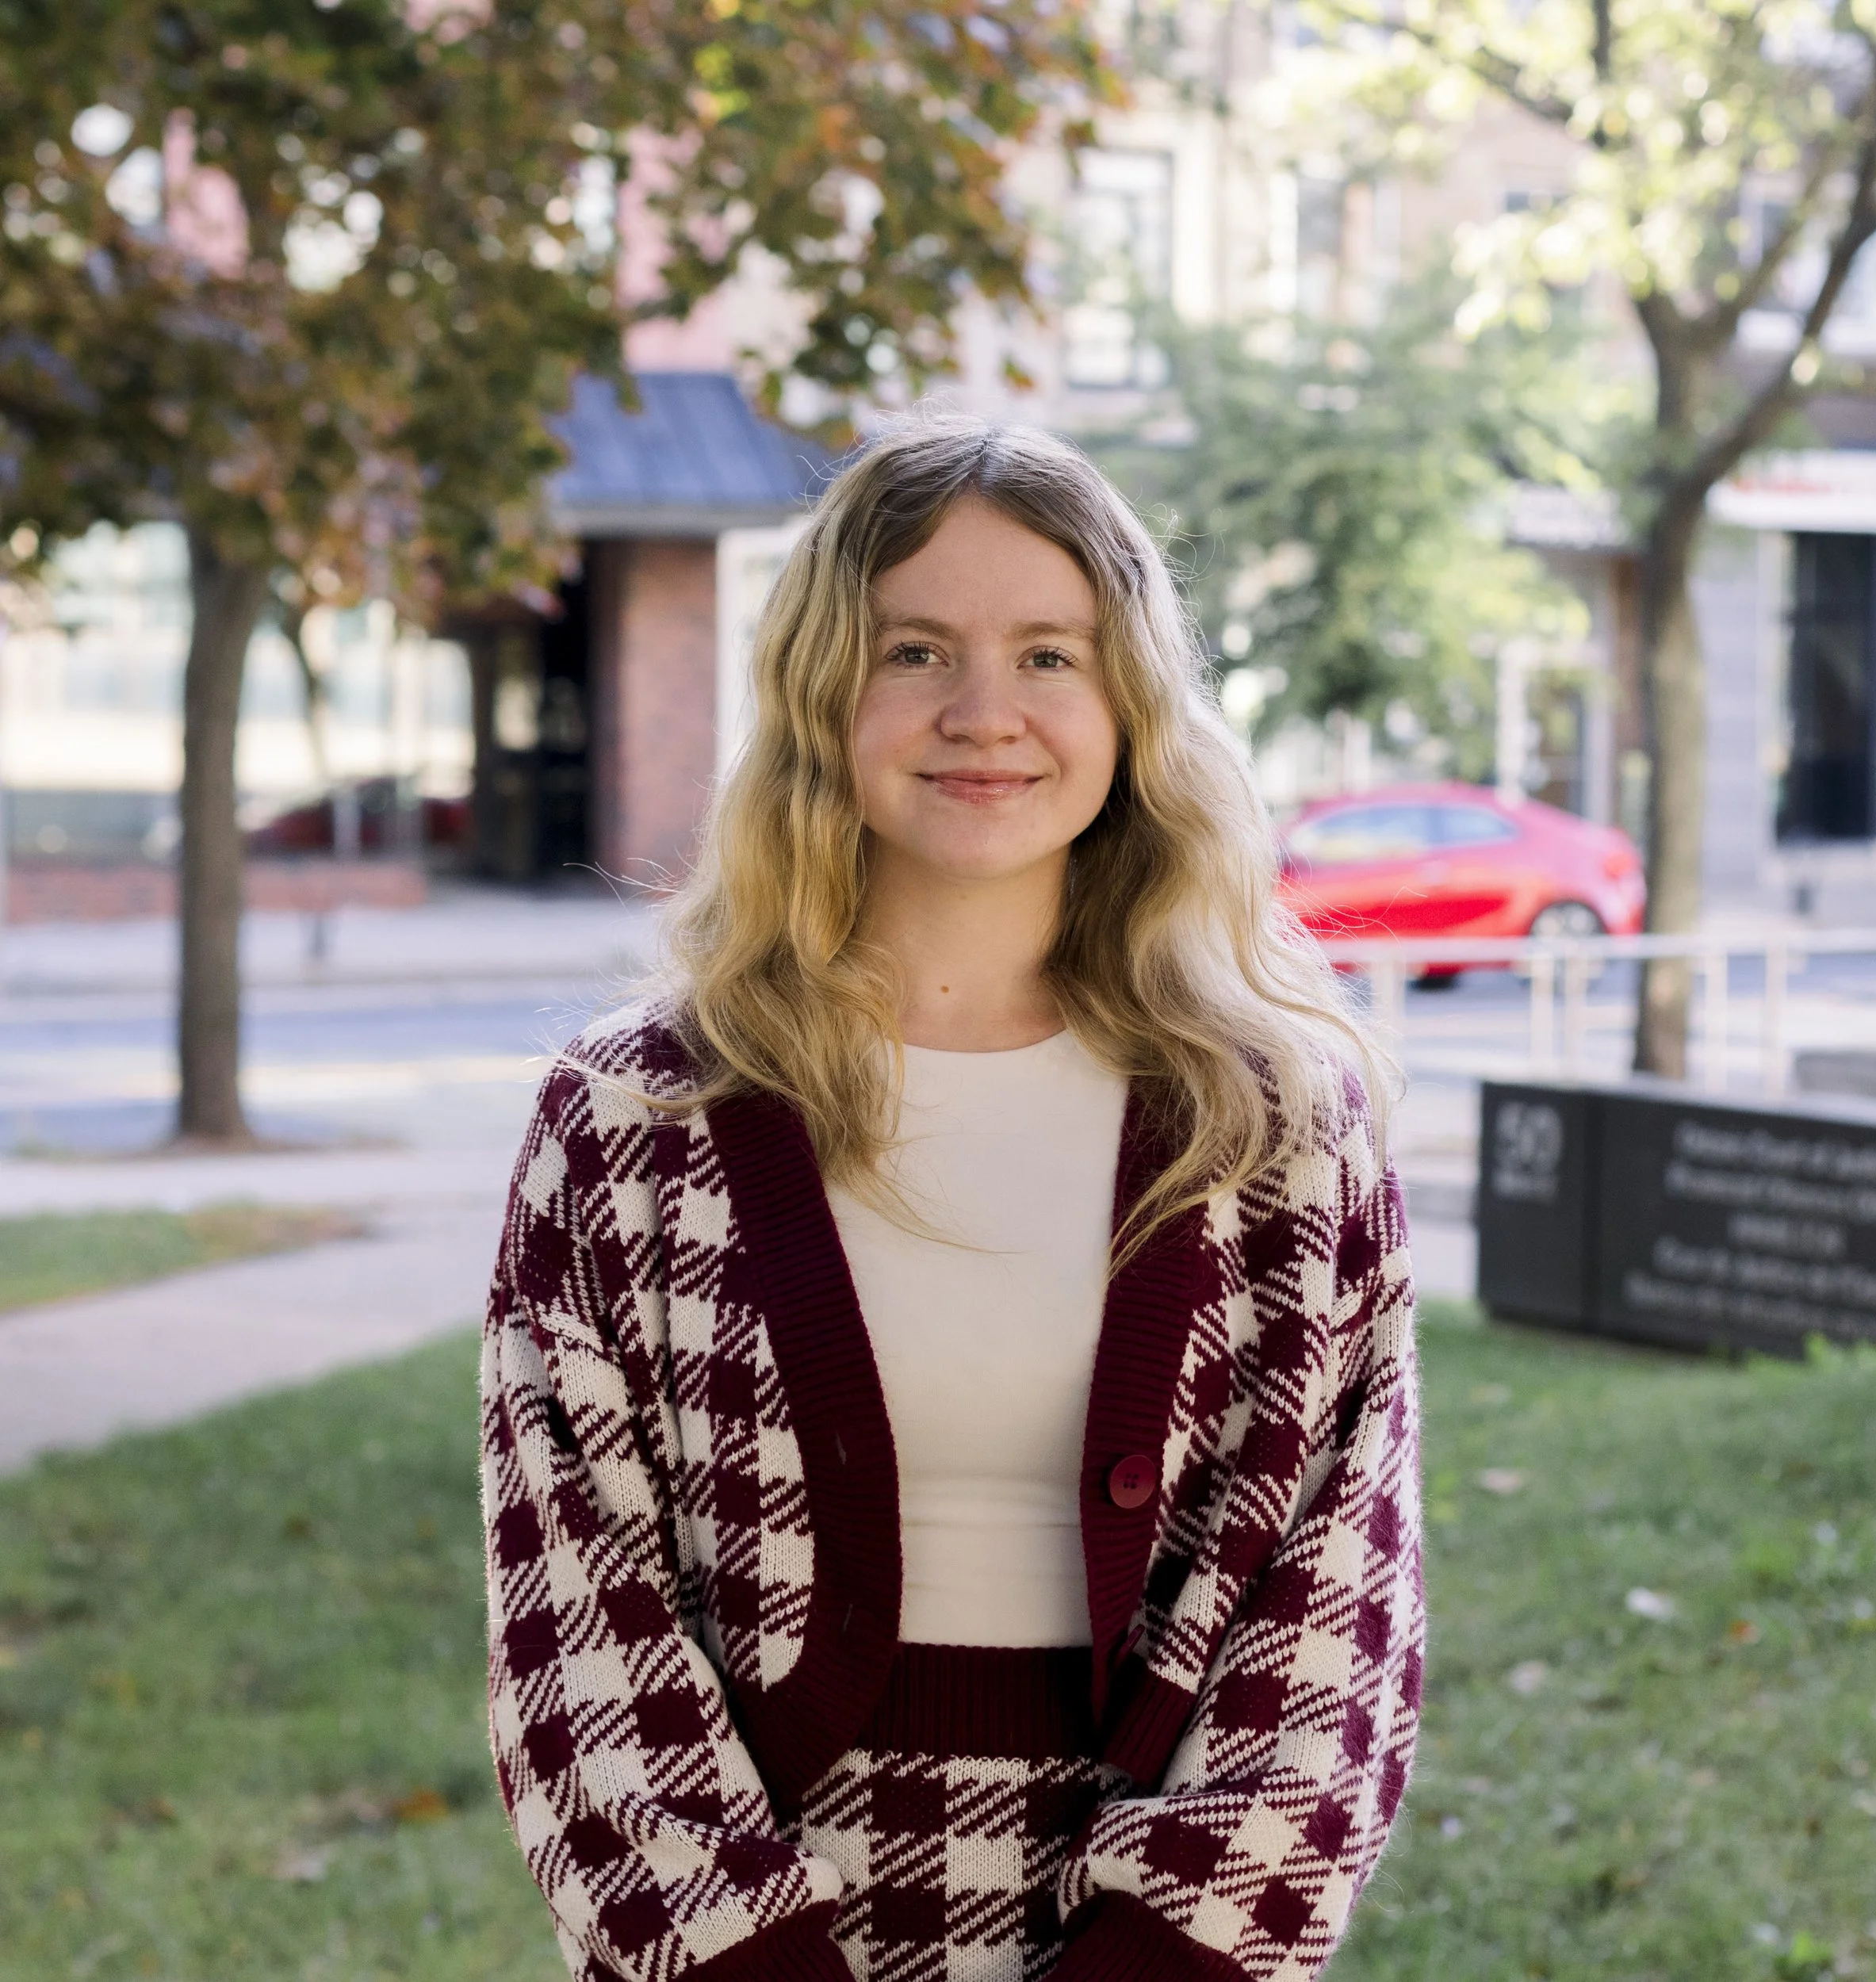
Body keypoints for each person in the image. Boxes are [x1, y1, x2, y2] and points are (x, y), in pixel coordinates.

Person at [480, 415, 1422, 1982]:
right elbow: (577, 1617)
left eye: (1048, 653)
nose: (984, 711)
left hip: (1157, 1933)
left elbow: (1332, 1620)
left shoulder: (1275, 1132)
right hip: (734, 1935)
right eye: (915, 648)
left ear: (1126, 701)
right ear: (821, 693)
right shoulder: (633, 1122)